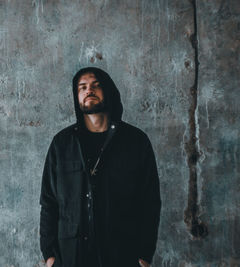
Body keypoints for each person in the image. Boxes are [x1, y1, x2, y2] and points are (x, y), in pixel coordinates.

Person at [39, 67, 161, 267]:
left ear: (109, 91)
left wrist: (145, 254)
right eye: (83, 87)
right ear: (76, 96)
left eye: (96, 85)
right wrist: (49, 254)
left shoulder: (136, 141)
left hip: (122, 253)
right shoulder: (62, 143)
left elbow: (150, 202)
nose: (89, 90)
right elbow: (48, 201)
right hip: (71, 255)